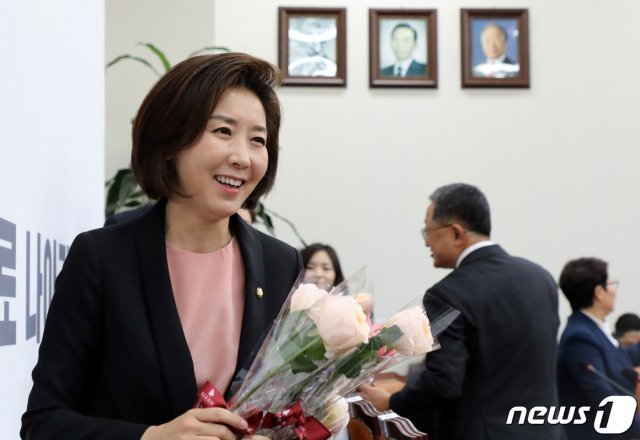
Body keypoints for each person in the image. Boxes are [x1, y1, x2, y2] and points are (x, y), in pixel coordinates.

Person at [21, 53, 303, 440]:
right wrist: (151, 437)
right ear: (171, 140)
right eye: (223, 131)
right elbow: (43, 422)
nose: (242, 157)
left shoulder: (281, 263)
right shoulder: (102, 258)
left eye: (258, 139)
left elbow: (286, 406)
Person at [358, 183, 563, 440]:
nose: (426, 243)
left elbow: (444, 382)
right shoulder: (541, 278)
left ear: (456, 233)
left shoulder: (448, 293)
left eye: (428, 231)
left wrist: (393, 401)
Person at [557, 258, 640, 439]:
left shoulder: (595, 329)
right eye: (611, 284)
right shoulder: (579, 339)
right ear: (599, 292)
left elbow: (620, 362)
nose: (615, 290)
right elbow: (607, 404)